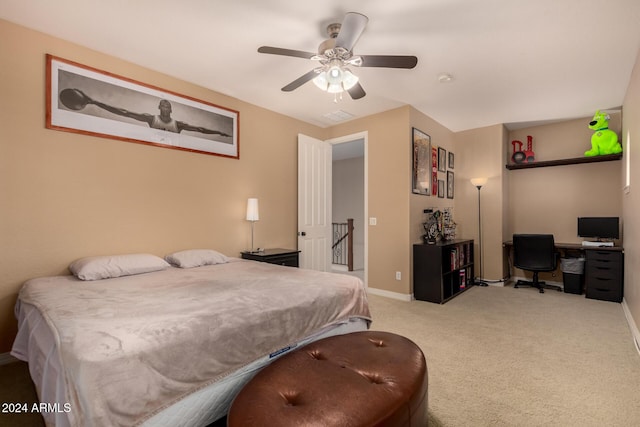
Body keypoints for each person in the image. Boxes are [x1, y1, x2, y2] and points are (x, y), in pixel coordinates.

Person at [65, 89, 231, 137]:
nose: (165, 108)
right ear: (159, 108)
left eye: (167, 106)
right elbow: (125, 113)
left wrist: (221, 133)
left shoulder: (178, 125)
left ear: (171, 109)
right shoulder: (152, 119)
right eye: (162, 105)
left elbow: (200, 129)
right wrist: (95, 102)